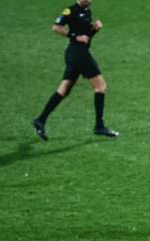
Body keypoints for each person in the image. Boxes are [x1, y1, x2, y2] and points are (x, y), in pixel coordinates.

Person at [32, 0, 118, 141]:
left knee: (64, 89)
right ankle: (99, 126)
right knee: (100, 86)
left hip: (76, 53)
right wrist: (74, 36)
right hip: (78, 54)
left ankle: (40, 120)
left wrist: (94, 29)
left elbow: (86, 38)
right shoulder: (70, 10)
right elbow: (56, 27)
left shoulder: (87, 11)